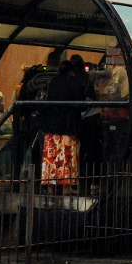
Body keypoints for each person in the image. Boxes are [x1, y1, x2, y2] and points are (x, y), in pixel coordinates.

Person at [40, 61, 85, 193]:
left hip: (51, 125)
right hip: (68, 125)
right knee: (67, 155)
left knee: (52, 155)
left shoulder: (53, 82)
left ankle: (51, 186)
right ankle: (67, 186)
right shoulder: (74, 82)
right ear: (72, 72)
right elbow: (82, 105)